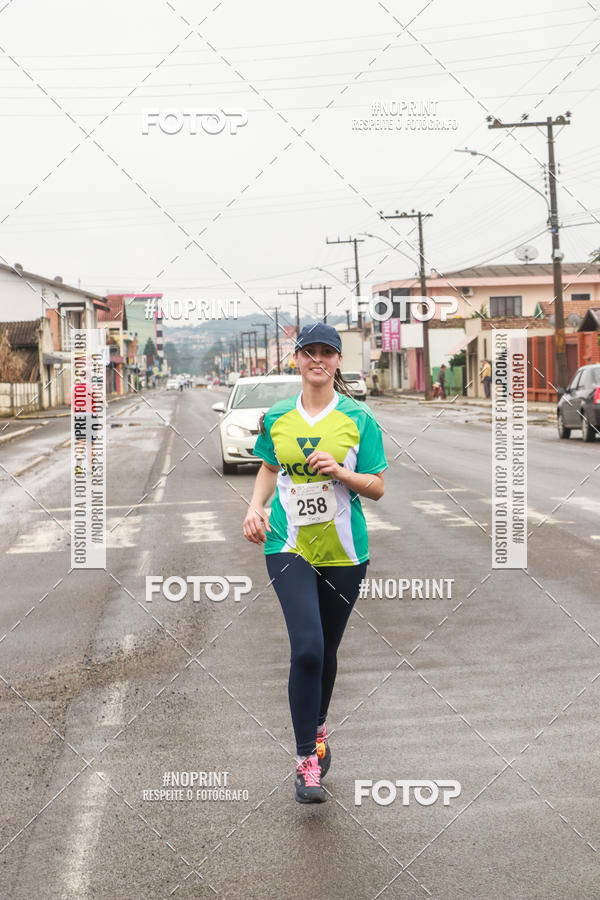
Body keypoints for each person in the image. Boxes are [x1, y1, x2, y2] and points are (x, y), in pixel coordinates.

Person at [243, 322, 388, 804]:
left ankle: (319, 726)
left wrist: (343, 472)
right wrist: (255, 507)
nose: (318, 360)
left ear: (338, 361)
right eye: (310, 352)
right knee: (306, 647)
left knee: (325, 649)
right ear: (297, 359)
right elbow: (268, 465)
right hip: (288, 546)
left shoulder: (359, 418)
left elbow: (378, 485)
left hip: (346, 552)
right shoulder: (279, 417)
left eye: (327, 352)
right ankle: (307, 761)